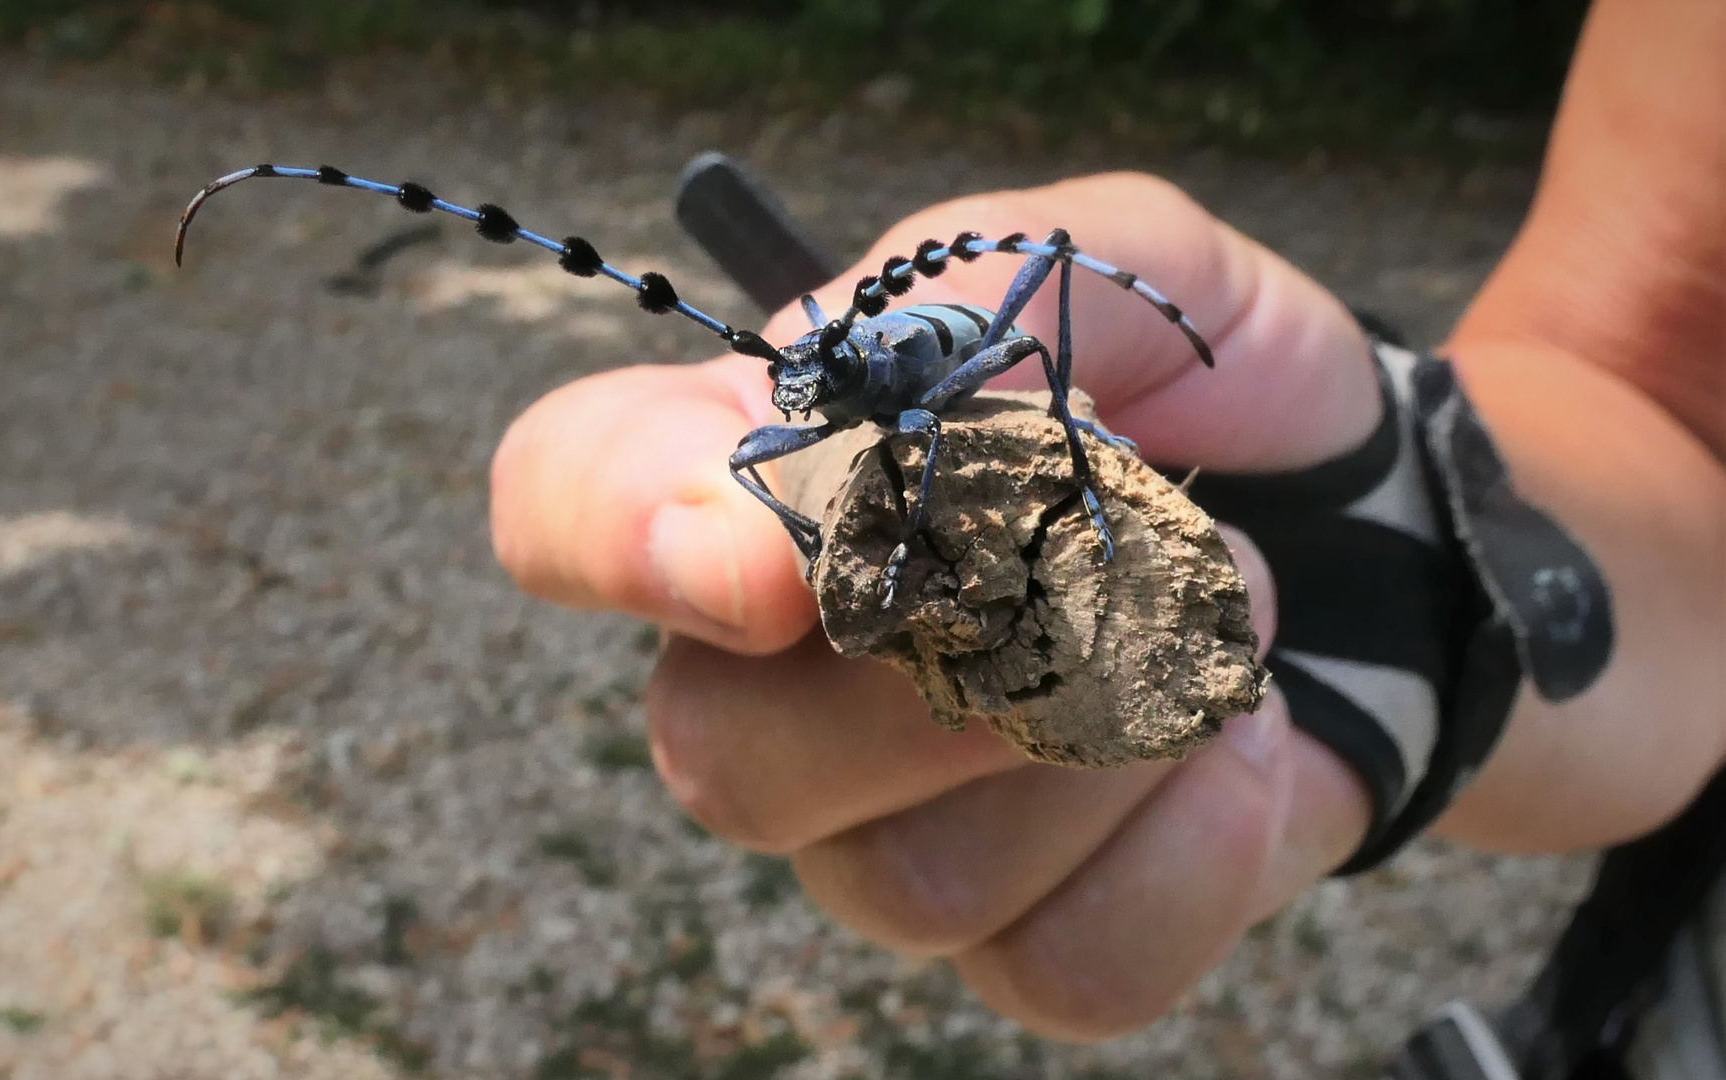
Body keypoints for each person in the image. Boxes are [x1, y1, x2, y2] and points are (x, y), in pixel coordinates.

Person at [487, 0, 1723, 1065]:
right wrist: (1411, 561)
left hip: (981, 371)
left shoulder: (959, 350)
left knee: (1017, 339)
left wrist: (1071, 448)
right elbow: (1663, 403)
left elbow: (1014, 333)